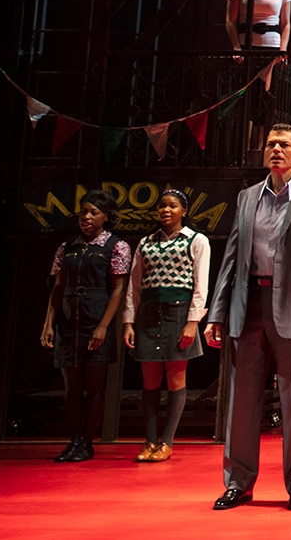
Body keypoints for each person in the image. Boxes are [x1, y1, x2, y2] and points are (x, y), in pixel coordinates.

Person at [204, 123, 291, 511]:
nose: (275, 150)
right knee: (241, 403)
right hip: (248, 307)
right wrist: (218, 312)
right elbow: (231, 257)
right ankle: (238, 483)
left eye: (283, 145)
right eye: (270, 145)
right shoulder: (248, 197)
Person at [39, 189, 131, 463]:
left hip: (95, 317)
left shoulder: (116, 246)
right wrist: (48, 324)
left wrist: (103, 326)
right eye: (84, 211)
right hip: (69, 320)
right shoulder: (68, 247)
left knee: (94, 386)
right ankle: (74, 440)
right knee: (71, 386)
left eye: (93, 212)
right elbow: (58, 287)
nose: (87, 217)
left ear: (106, 216)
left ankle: (88, 442)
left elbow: (117, 290)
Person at [122, 188, 210, 462]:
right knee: (149, 381)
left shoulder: (196, 240)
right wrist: (129, 322)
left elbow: (200, 285)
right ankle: (149, 440)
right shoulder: (146, 243)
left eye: (172, 206)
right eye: (162, 206)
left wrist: (192, 322)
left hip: (178, 313)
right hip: (148, 313)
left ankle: (167, 441)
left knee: (175, 379)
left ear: (184, 211)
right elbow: (134, 287)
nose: (166, 210)